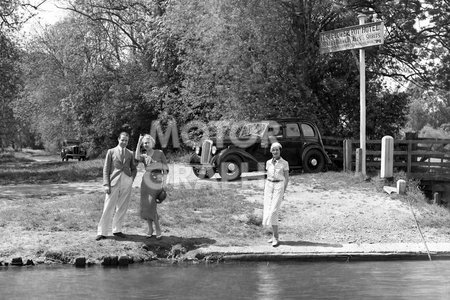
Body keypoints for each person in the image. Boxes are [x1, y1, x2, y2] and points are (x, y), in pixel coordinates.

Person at [96, 132, 137, 241]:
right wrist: (106, 184)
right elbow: (106, 169)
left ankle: (117, 230)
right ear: (118, 139)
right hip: (113, 182)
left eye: (126, 141)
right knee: (108, 206)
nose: (124, 142)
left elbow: (134, 168)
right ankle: (102, 232)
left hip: (126, 182)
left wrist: (131, 179)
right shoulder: (111, 151)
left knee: (122, 206)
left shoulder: (130, 153)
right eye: (122, 140)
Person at [135, 134, 169, 239]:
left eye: (147, 142)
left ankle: (157, 228)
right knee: (146, 205)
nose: (146, 144)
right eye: (144, 143)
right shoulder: (144, 156)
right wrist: (138, 142)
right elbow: (136, 157)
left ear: (152, 143)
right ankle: (150, 228)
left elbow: (166, 169)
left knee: (152, 204)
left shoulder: (159, 153)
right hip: (146, 181)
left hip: (157, 180)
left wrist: (164, 183)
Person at [262, 142, 289, 247]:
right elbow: (268, 175)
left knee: (274, 211)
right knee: (268, 211)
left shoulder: (284, 163)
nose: (275, 151)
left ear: (280, 151)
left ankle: (276, 237)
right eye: (273, 150)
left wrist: (283, 191)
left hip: (279, 187)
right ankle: (273, 235)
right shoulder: (268, 162)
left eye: (277, 149)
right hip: (269, 186)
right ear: (271, 151)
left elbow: (286, 178)